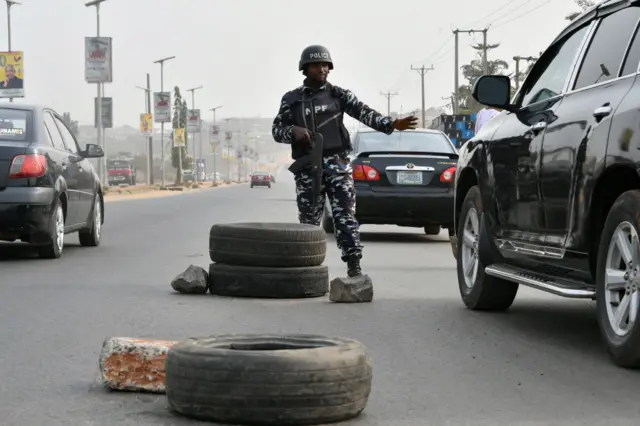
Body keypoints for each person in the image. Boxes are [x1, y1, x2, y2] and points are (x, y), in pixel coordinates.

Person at [272, 45, 418, 278]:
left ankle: (353, 265)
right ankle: (307, 267)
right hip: (309, 168)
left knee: (345, 218)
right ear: (305, 68)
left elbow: (364, 113)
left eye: (325, 65)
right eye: (316, 65)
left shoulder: (339, 95)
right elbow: (277, 130)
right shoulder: (292, 100)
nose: (322, 69)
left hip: (337, 165)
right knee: (309, 221)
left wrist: (390, 124)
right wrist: (293, 131)